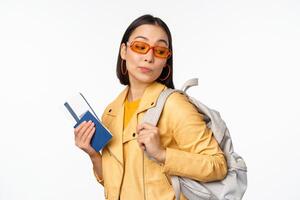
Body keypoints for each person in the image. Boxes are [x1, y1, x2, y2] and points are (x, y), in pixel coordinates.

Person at [74, 14, 228, 200]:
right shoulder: (111, 112)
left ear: (166, 60)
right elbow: (118, 185)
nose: (149, 57)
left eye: (160, 51)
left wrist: (162, 154)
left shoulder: (174, 105)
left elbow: (218, 165)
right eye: (140, 47)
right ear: (124, 51)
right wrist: (93, 155)